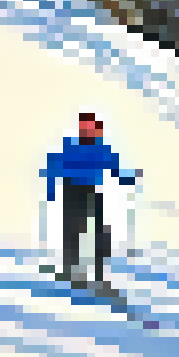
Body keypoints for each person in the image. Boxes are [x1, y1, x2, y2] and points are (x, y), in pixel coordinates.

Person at [41, 113, 140, 288]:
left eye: (92, 127)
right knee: (72, 232)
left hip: (91, 192)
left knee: (100, 231)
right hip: (72, 191)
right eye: (85, 127)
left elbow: (115, 167)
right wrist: (50, 189)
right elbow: (54, 165)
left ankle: (101, 274)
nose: (88, 130)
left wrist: (128, 179)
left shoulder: (102, 148)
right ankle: (71, 271)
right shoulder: (71, 146)